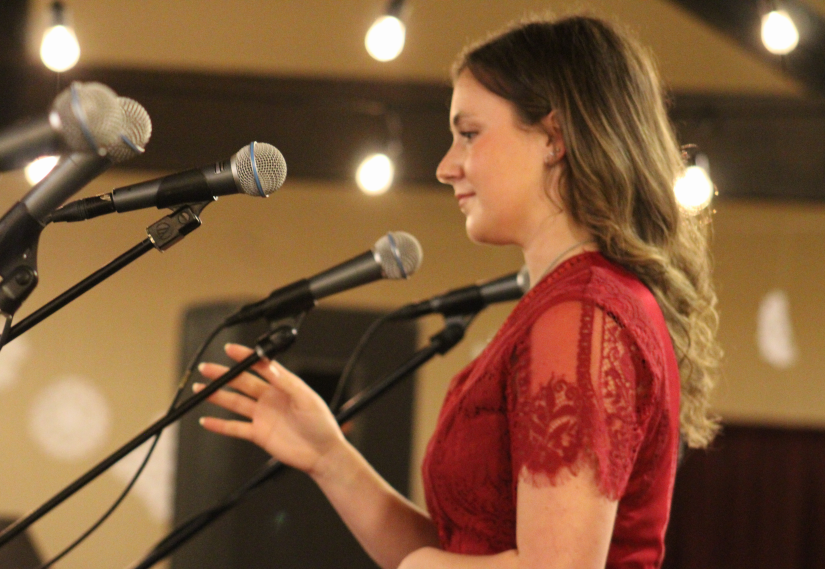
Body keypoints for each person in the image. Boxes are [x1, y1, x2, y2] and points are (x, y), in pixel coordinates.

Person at [193, 14, 720, 569]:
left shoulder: (583, 314)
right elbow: (472, 551)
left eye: (469, 134)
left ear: (555, 138)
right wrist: (330, 457)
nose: (447, 167)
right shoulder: (572, 306)